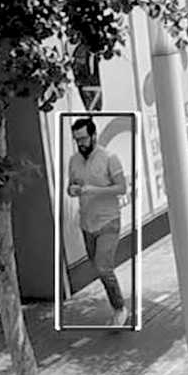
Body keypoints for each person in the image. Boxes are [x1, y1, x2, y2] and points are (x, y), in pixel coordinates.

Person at [66, 116, 132, 328]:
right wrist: (72, 190)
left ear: (93, 135)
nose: (81, 143)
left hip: (108, 221)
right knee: (98, 267)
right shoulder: (74, 161)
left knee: (103, 267)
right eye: (77, 140)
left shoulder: (109, 157)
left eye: (84, 138)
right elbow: (71, 187)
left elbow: (122, 188)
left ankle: (119, 308)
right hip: (87, 223)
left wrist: (94, 190)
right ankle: (116, 304)